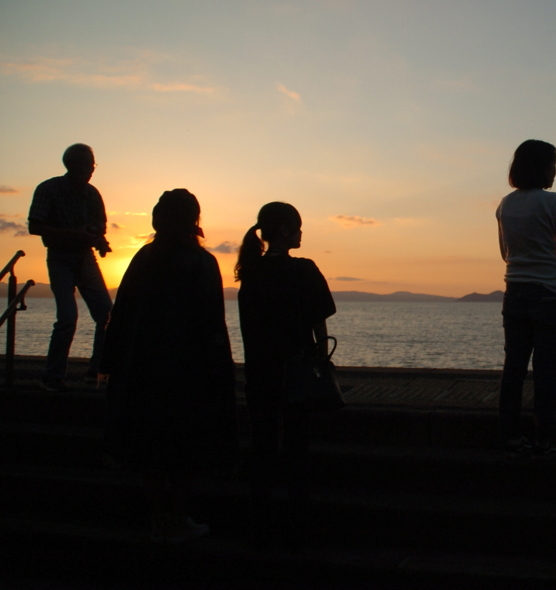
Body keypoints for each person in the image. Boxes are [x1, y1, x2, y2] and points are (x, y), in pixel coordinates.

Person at [101, 189, 238, 544]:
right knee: (181, 450)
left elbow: (120, 315)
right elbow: (212, 323)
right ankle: (176, 519)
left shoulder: (144, 257)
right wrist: (222, 373)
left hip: (141, 371)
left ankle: (159, 520)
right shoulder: (200, 261)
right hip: (186, 372)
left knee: (150, 451)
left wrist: (109, 364)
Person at [236, 202, 336, 547]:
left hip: (260, 370)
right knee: (297, 449)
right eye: (298, 227)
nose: (301, 233)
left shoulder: (250, 272)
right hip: (296, 372)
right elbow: (319, 324)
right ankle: (298, 524)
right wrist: (322, 360)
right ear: (284, 232)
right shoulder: (305, 270)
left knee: (262, 446)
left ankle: (259, 524)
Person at [496, 140, 556, 458]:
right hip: (550, 293)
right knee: (546, 372)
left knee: (514, 369)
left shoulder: (505, 204)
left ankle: (510, 437)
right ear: (543, 168)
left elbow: (505, 253)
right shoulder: (554, 203)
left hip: (515, 292)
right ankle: (543, 441)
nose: (555, 170)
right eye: (553, 164)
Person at [28, 144, 113, 390]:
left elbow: (98, 227)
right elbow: (36, 226)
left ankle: (96, 373)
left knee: (108, 316)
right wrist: (74, 235)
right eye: (89, 164)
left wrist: (101, 243)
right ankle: (53, 377)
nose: (92, 170)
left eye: (93, 165)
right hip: (60, 258)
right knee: (67, 318)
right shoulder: (49, 189)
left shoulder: (92, 194)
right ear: (73, 164)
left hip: (86, 259)